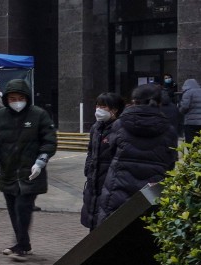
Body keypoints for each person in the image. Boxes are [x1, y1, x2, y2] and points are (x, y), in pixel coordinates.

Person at [0, 78, 57, 260]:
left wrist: (41, 161)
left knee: (23, 208)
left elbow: (49, 141)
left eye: (20, 97)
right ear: (6, 99)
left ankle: (21, 247)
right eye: (12, 98)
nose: (16, 102)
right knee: (13, 211)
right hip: (8, 172)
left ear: (27, 97)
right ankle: (23, 244)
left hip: (30, 173)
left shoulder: (39, 115)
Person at [96, 84, 178, 227]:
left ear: (134, 102)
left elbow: (111, 152)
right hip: (152, 193)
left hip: (117, 189)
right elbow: (171, 163)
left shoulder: (119, 124)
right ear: (159, 103)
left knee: (112, 235)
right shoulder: (169, 130)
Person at [80, 92, 126, 231]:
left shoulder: (120, 128)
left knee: (106, 223)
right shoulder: (96, 127)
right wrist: (88, 168)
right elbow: (91, 150)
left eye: (103, 106)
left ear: (114, 109)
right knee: (93, 221)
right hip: (93, 181)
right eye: (98, 105)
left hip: (109, 182)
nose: (99, 109)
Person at [180, 78, 201, 144]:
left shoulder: (188, 92)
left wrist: (181, 111)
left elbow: (185, 107)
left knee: (190, 142)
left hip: (190, 122)